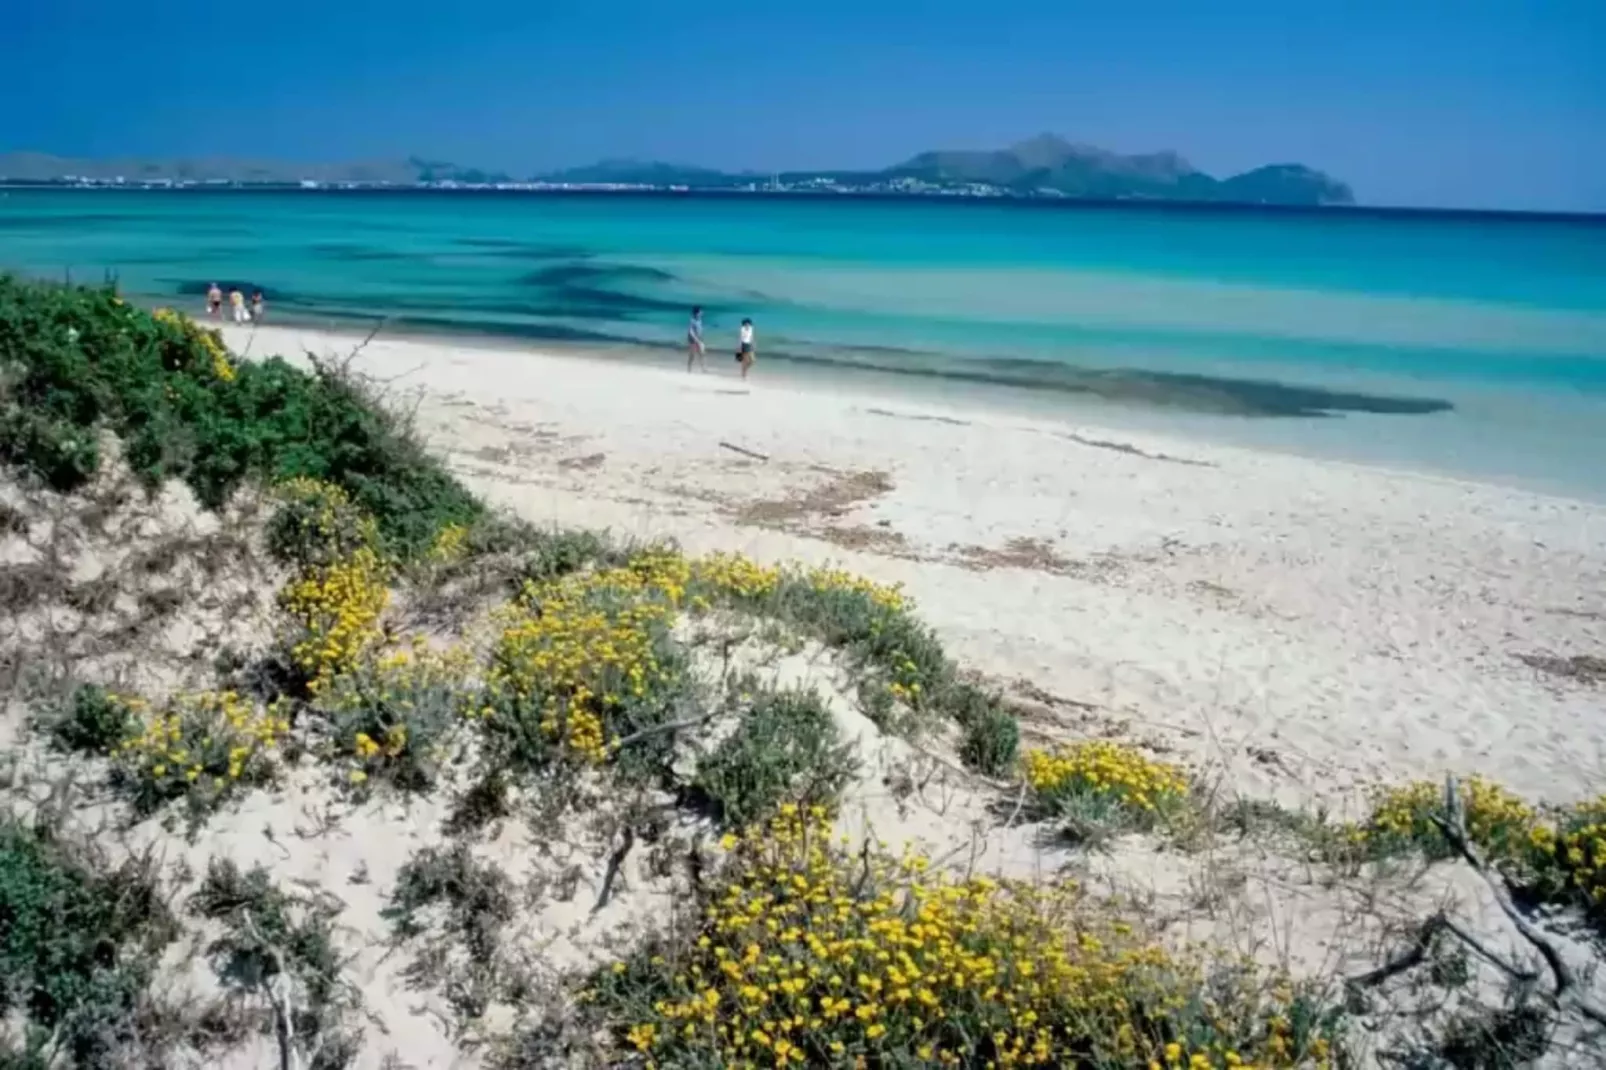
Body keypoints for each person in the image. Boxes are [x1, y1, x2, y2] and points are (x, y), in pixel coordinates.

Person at [686, 306, 706, 372]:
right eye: (700, 311)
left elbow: (700, 330)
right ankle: (689, 368)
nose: (702, 312)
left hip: (699, 339)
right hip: (693, 340)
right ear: (697, 313)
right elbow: (691, 331)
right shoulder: (692, 321)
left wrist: (701, 339)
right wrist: (696, 339)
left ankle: (703, 368)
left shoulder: (699, 320)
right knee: (692, 355)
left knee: (702, 353)